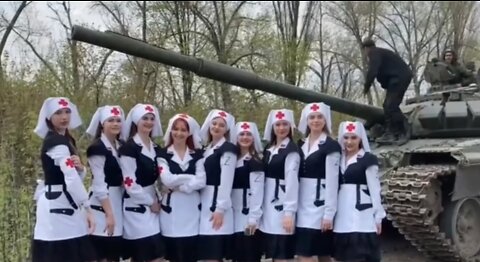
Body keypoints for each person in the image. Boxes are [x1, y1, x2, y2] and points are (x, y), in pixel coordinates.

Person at [32, 97, 96, 262]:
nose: (64, 116)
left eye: (67, 111)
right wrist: (87, 206)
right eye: (58, 112)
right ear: (49, 117)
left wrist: (81, 168)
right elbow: (70, 177)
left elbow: (73, 176)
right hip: (58, 206)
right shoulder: (57, 142)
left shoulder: (66, 140)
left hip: (64, 203)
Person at [333, 121, 386, 262]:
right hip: (342, 215)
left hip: (361, 215)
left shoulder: (368, 159)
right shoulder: (337, 159)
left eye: (353, 138)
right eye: (346, 137)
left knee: (359, 255)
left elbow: (375, 189)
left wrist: (378, 215)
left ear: (360, 139)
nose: (349, 142)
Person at [157, 113, 206, 262]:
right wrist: (190, 179)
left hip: (192, 211)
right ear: (170, 131)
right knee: (174, 255)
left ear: (189, 132)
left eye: (183, 130)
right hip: (171, 212)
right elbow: (167, 180)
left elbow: (202, 181)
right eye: (175, 129)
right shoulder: (162, 154)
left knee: (191, 255)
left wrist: (182, 186)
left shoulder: (198, 154)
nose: (179, 133)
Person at [118, 103, 164, 262]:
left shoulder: (156, 148)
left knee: (156, 253)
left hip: (154, 201)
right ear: (137, 121)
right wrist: (150, 202)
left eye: (152, 118)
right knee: (146, 250)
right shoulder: (129, 148)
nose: (149, 122)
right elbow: (129, 182)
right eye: (145, 118)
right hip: (136, 205)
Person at [295, 103, 341, 262]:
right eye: (312, 117)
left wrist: (329, 213)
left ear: (325, 120)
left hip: (320, 205)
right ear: (306, 121)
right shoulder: (300, 145)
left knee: (316, 253)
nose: (316, 120)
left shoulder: (331, 146)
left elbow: (333, 181)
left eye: (320, 117)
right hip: (301, 205)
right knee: (315, 252)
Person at [85, 105, 126, 262]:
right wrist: (109, 213)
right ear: (102, 123)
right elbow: (99, 183)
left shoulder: (121, 145)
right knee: (100, 251)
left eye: (118, 120)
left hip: (117, 200)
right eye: (111, 120)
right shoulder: (96, 149)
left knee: (114, 252)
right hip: (102, 203)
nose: (115, 124)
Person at [259, 109, 300, 262]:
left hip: (281, 206)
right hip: (268, 207)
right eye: (278, 124)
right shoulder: (269, 149)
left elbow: (292, 182)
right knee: (273, 252)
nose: (281, 128)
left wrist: (289, 212)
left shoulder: (291, 151)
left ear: (290, 127)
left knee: (282, 252)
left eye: (285, 124)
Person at [197, 109, 238, 262]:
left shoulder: (228, 149)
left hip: (216, 207)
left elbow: (226, 180)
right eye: (214, 123)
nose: (216, 127)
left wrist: (220, 208)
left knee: (213, 256)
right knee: (209, 255)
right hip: (205, 204)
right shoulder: (207, 149)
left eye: (221, 125)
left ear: (227, 129)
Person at [361, 39, 413, 144]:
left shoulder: (374, 53)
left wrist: (366, 86)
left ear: (366, 49)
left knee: (391, 106)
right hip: (398, 78)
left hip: (399, 78)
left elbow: (373, 71)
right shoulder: (381, 52)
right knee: (387, 105)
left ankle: (403, 132)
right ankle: (391, 132)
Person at [231, 121, 265, 262]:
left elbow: (257, 192)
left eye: (248, 134)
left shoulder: (255, 161)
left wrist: (253, 219)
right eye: (242, 134)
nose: (245, 137)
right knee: (237, 255)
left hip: (247, 218)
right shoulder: (232, 159)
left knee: (249, 253)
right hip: (233, 216)